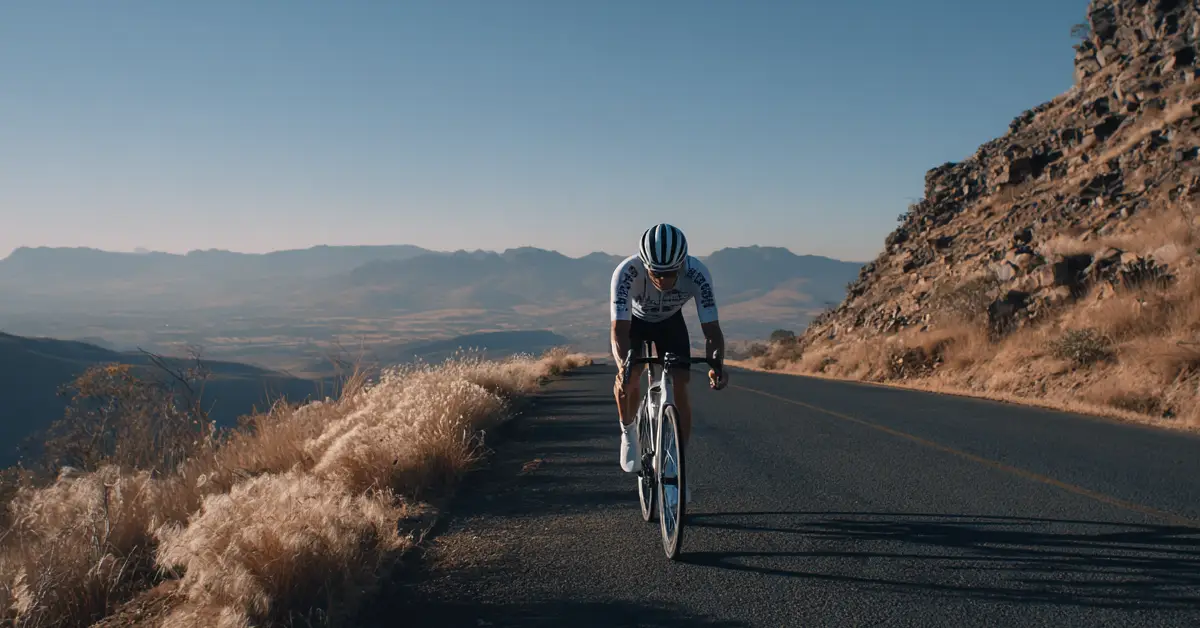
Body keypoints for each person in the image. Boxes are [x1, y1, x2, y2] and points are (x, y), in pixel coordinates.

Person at [609, 223, 728, 500]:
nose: (663, 280)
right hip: (633, 323)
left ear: (682, 264)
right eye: (656, 274)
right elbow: (619, 331)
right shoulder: (627, 272)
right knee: (630, 377)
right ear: (644, 265)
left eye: (671, 273)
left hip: (669, 323)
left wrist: (717, 365)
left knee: (681, 384)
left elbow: (712, 330)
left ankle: (677, 467)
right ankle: (628, 431)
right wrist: (624, 366)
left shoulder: (698, 273)